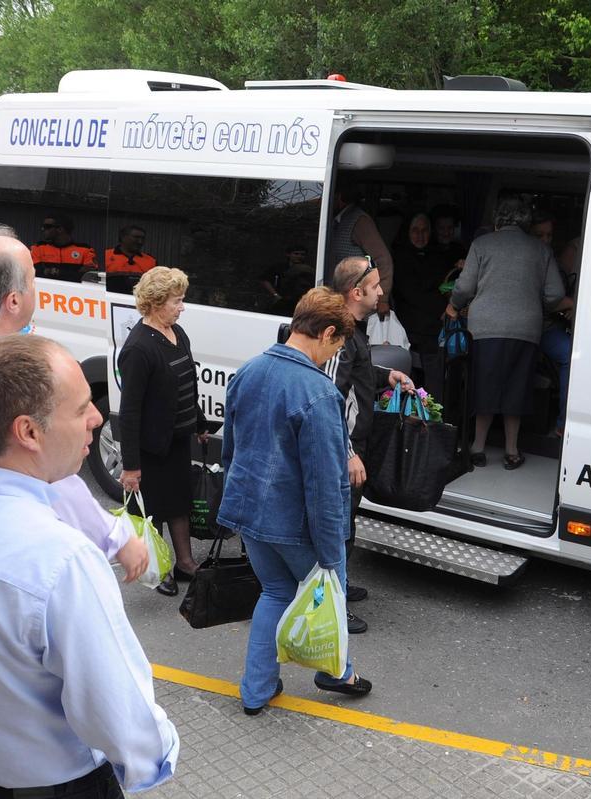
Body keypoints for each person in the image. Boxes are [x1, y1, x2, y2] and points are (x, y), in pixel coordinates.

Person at [0, 335, 180, 797]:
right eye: (81, 409)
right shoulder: (62, 560)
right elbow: (118, 714)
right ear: (29, 432)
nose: (97, 419)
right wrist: (157, 754)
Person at [0, 228, 148, 581]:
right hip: (3, 567)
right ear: (14, 301)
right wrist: (117, 537)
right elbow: (53, 475)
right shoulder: (16, 385)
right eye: (33, 280)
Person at [218, 287, 373, 715]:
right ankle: (336, 672)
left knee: (274, 593)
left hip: (250, 512)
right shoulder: (320, 394)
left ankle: (257, 690)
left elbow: (230, 450)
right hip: (296, 523)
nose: (332, 356)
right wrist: (331, 549)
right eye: (337, 345)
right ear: (325, 333)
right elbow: (325, 486)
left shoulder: (249, 371)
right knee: (328, 593)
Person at [327, 256, 414, 634]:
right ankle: (331, 606)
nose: (381, 292)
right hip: (342, 453)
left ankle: (340, 587)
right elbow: (327, 399)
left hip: (354, 446)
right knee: (336, 531)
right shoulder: (340, 335)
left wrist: (386, 375)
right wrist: (347, 453)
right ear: (356, 292)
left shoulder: (355, 329)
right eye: (375, 286)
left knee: (346, 525)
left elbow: (359, 371)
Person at [446, 195, 565, 469]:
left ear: (498, 220)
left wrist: (454, 306)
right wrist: (535, 301)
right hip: (526, 328)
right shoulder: (540, 250)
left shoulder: (482, 244)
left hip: (485, 328)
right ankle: (512, 450)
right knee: (517, 386)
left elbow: (464, 288)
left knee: (484, 384)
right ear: (526, 222)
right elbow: (556, 293)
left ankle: (477, 447)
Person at [117, 267, 210, 596]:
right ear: (156, 303)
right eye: (177, 301)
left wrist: (199, 424)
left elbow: (187, 383)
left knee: (179, 502)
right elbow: (129, 412)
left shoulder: (178, 333)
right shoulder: (138, 349)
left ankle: (186, 562)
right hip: (151, 446)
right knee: (153, 509)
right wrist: (130, 466)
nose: (182, 307)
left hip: (178, 440)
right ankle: (161, 568)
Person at [392, 213, 450, 396]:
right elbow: (410, 291)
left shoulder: (439, 256)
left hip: (433, 333)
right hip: (408, 330)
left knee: (435, 386)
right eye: (415, 230)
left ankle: (431, 420)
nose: (420, 235)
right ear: (407, 232)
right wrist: (441, 308)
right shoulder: (399, 256)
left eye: (425, 230)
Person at [532, 212, 578, 436]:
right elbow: (546, 299)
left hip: (551, 326)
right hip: (534, 328)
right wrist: (568, 304)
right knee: (571, 355)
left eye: (549, 235)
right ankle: (563, 424)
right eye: (539, 235)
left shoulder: (551, 259)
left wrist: (567, 308)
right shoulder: (529, 259)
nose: (545, 240)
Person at [329, 182, 394, 296]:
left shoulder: (359, 221)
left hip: (358, 300)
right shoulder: (337, 221)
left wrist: (382, 298)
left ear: (339, 197)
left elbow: (383, 260)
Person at [30, 213, 98, 282]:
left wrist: (51, 271)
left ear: (60, 229)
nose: (42, 229)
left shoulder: (85, 250)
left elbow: (90, 277)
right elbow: (34, 273)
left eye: (47, 227)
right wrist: (74, 273)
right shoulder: (38, 248)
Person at [259, 244, 315, 315]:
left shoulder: (308, 270)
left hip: (300, 303)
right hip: (281, 301)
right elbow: (264, 279)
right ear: (288, 254)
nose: (299, 256)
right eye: (296, 254)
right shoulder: (279, 267)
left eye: (302, 254)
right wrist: (275, 295)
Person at [104, 224, 156, 295]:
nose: (140, 242)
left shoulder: (151, 261)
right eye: (136, 237)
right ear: (123, 237)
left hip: (139, 303)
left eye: (142, 238)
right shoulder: (106, 256)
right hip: (109, 300)